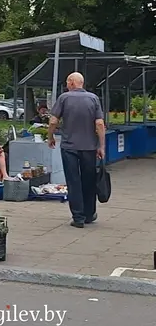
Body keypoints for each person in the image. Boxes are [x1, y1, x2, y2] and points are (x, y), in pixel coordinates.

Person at [49, 72, 105, 228]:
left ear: (72, 83)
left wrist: (50, 136)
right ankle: (89, 214)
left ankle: (78, 217)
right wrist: (101, 146)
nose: (67, 85)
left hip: (69, 147)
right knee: (89, 180)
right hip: (89, 147)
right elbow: (99, 124)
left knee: (73, 181)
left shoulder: (64, 98)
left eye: (68, 82)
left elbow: (53, 120)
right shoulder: (93, 98)